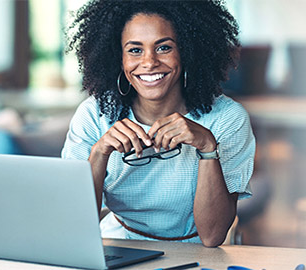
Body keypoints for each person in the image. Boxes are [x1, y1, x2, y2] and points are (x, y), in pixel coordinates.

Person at [62, 0, 255, 247]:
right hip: (118, 245)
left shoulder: (227, 118)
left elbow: (212, 236)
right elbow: (73, 221)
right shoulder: (94, 114)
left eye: (164, 48)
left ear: (187, 51)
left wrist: (208, 147)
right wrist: (99, 153)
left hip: (196, 252)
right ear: (118, 58)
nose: (149, 62)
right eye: (134, 50)